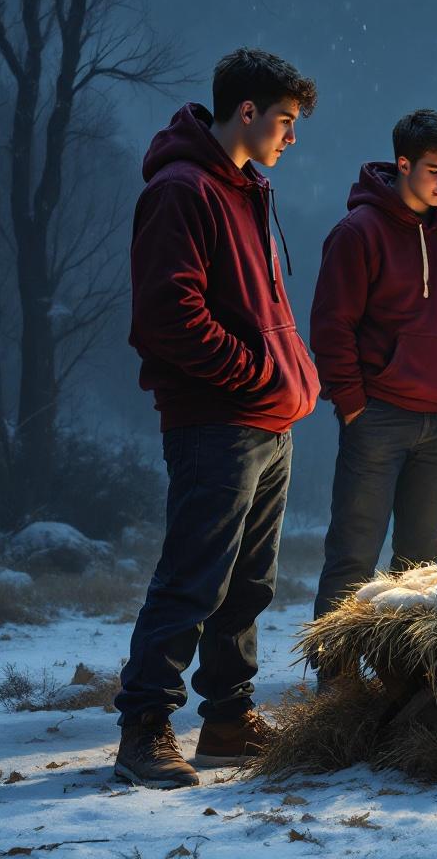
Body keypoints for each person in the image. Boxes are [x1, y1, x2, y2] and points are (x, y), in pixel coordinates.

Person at [114, 48, 320, 788]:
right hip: (216, 422)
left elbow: (258, 307)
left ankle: (227, 724)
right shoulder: (181, 190)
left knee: (249, 585)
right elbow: (166, 317)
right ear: (247, 112)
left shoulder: (246, 188)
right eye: (286, 121)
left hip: (269, 422)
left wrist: (286, 377)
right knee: (192, 580)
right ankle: (144, 729)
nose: (291, 137)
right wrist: (256, 373)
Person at [309, 109, 437, 657]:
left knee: (422, 564)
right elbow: (331, 325)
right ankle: (336, 689)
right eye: (434, 169)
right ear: (403, 164)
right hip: (378, 417)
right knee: (352, 557)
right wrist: (353, 402)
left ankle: (403, 684)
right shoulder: (356, 234)